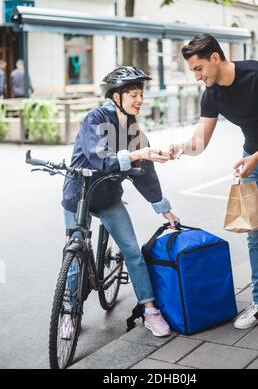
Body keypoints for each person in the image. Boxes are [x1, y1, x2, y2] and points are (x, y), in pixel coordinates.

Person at [169, 33, 258, 342]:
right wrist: (177, 148)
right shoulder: (211, 95)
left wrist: (256, 156)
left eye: (199, 68)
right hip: (253, 162)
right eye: (193, 72)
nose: (198, 76)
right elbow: (200, 142)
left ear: (216, 58)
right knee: (256, 233)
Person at [61, 66, 179, 339]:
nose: (139, 100)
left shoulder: (134, 129)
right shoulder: (96, 118)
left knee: (133, 252)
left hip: (108, 197)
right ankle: (69, 310)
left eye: (141, 94)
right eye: (133, 94)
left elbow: (145, 174)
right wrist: (140, 153)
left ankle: (150, 309)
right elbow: (99, 157)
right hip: (78, 195)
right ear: (116, 97)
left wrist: (164, 209)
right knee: (74, 255)